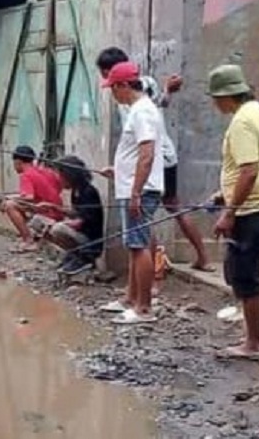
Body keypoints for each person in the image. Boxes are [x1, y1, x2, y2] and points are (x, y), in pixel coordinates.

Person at [96, 48, 211, 271]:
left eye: (106, 75)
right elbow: (162, 104)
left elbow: (144, 144)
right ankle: (198, 257)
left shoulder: (133, 93)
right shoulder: (140, 88)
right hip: (160, 156)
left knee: (142, 220)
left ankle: (150, 278)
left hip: (154, 160)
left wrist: (134, 185)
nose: (107, 83)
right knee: (170, 208)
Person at [208, 64, 259, 360]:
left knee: (246, 275)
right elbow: (258, 166)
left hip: (253, 210)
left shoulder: (241, 122)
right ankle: (254, 337)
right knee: (245, 273)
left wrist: (229, 211)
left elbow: (249, 171)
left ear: (227, 95)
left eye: (215, 97)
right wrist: (224, 195)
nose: (214, 103)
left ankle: (253, 344)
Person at [98, 60, 165, 324]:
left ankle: (144, 309)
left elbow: (147, 154)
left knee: (139, 246)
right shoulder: (140, 110)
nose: (113, 94)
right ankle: (132, 299)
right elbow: (137, 154)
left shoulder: (142, 111)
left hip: (139, 190)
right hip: (133, 186)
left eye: (113, 88)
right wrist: (119, 171)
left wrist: (136, 191)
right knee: (135, 245)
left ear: (124, 85)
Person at [0, 145, 66, 252]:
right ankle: (33, 234)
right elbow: (59, 187)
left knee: (9, 205)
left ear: (18, 162)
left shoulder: (26, 175)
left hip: (47, 214)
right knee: (15, 202)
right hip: (58, 212)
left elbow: (29, 197)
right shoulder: (46, 171)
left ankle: (28, 240)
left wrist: (9, 198)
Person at [48, 155, 106, 275]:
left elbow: (84, 220)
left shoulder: (89, 191)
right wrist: (54, 208)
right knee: (40, 222)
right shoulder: (76, 191)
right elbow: (77, 213)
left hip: (91, 241)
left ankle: (85, 257)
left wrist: (65, 223)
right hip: (81, 235)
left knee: (57, 229)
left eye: (60, 175)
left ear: (69, 175)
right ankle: (75, 255)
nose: (59, 179)